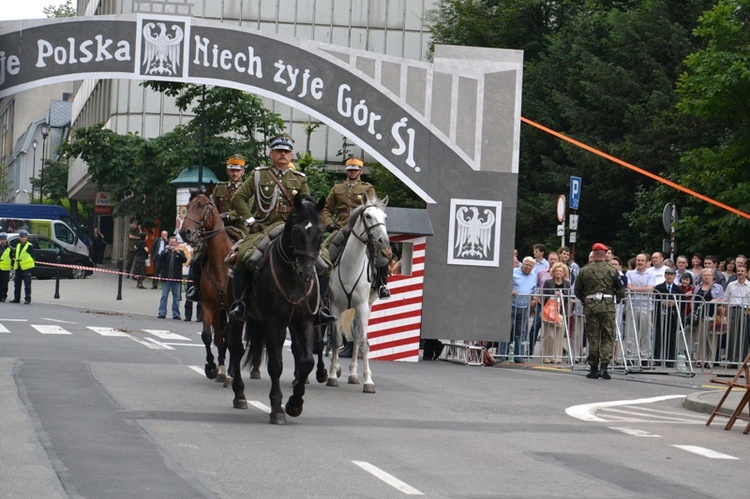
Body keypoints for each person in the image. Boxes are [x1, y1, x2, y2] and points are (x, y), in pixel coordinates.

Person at [228, 134, 334, 323]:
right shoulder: (259, 175)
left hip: (293, 229)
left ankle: (320, 308)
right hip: (265, 226)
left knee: (325, 263)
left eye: (286, 151)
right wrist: (250, 221)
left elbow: (307, 202)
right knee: (243, 257)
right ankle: (240, 303)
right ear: (271, 153)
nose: (283, 154)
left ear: (291, 155)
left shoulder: (299, 178)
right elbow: (238, 198)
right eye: (279, 151)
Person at [321, 156, 391, 299]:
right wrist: (329, 223)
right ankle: (323, 288)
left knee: (383, 255)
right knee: (325, 252)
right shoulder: (337, 188)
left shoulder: (367, 188)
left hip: (362, 228)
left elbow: (372, 208)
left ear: (361, 171)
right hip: (341, 227)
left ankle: (382, 285)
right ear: (346, 171)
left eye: (355, 170)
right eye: (350, 170)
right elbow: (326, 209)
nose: (352, 172)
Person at [185, 154, 249, 302]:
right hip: (217, 228)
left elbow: (248, 208)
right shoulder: (219, 188)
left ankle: (246, 292)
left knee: (247, 256)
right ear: (227, 171)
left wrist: (227, 216)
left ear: (243, 172)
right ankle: (196, 288)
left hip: (239, 228)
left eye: (237, 171)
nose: (234, 173)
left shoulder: (247, 188)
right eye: (232, 170)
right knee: (199, 254)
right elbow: (211, 206)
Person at [574, 242, 625, 379]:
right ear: (604, 254)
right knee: (608, 336)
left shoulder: (584, 270)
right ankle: (604, 367)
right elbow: (621, 289)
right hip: (607, 306)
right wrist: (617, 300)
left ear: (594, 254)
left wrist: (584, 299)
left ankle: (593, 368)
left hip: (591, 306)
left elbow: (577, 290)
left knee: (593, 337)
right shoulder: (612, 270)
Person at [625, 253, 656, 364]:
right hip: (632, 306)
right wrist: (643, 289)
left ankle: (644, 357)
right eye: (638, 260)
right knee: (630, 333)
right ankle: (630, 356)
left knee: (645, 333)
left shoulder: (651, 274)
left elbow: (650, 289)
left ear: (646, 262)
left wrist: (635, 288)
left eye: (642, 260)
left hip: (646, 306)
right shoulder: (629, 273)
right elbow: (628, 288)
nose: (640, 262)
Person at [653, 268, 686, 366]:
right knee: (658, 337)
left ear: (675, 276)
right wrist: (662, 302)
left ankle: (670, 359)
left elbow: (683, 304)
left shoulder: (678, 289)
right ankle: (657, 358)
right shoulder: (658, 288)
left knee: (671, 337)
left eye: (671, 274)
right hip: (660, 315)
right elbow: (654, 301)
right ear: (664, 275)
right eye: (667, 274)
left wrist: (674, 304)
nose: (669, 276)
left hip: (673, 316)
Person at [691, 269, 724, 365]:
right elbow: (694, 299)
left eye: (709, 275)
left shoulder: (718, 287)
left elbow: (723, 299)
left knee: (711, 339)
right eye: (705, 275)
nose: (707, 277)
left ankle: (710, 360)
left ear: (713, 276)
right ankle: (701, 360)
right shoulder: (698, 287)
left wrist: (716, 300)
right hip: (700, 315)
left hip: (712, 315)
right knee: (700, 339)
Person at [540, 262, 570, 363]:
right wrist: (554, 294)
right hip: (549, 312)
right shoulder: (548, 282)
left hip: (561, 312)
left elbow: (568, 298)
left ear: (564, 273)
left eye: (560, 271)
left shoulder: (567, 283)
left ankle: (557, 357)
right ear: (553, 272)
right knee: (549, 335)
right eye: (557, 271)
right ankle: (546, 356)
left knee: (559, 335)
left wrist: (562, 294)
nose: (558, 273)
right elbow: (544, 296)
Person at [510, 257, 537, 362]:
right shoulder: (513, 272)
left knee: (520, 333)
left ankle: (518, 356)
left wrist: (534, 298)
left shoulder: (534, 275)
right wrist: (511, 290)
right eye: (527, 264)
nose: (528, 267)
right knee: (508, 331)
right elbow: (505, 283)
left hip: (525, 306)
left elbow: (534, 289)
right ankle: (501, 355)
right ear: (522, 264)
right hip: (512, 305)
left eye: (531, 265)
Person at [723, 265, 750, 364]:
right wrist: (725, 314)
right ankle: (733, 359)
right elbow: (726, 299)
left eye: (742, 271)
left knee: (744, 335)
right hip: (733, 310)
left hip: (745, 310)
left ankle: (744, 360)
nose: (740, 273)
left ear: (746, 273)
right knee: (732, 335)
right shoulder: (731, 285)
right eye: (738, 271)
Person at [157, 236, 186, 319]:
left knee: (176, 297)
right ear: (168, 243)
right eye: (171, 242)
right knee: (164, 296)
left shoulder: (180, 252)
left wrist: (178, 252)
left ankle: (176, 314)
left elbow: (184, 260)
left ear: (177, 243)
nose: (172, 244)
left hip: (176, 278)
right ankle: (162, 312)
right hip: (166, 277)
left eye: (174, 242)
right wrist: (165, 251)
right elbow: (160, 260)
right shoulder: (165, 252)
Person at [10, 229, 35, 304]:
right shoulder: (18, 245)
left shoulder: (29, 246)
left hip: (26, 267)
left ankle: (27, 298)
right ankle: (16, 298)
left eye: (24, 237)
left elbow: (33, 256)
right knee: (17, 283)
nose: (22, 238)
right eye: (21, 237)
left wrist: (27, 263)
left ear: (26, 237)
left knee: (27, 284)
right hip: (18, 267)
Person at [0, 233, 11, 302]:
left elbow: (12, 259)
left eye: (4, 239)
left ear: (6, 239)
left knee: (4, 283)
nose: (3, 240)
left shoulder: (9, 248)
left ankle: (3, 296)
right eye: (1, 239)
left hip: (5, 269)